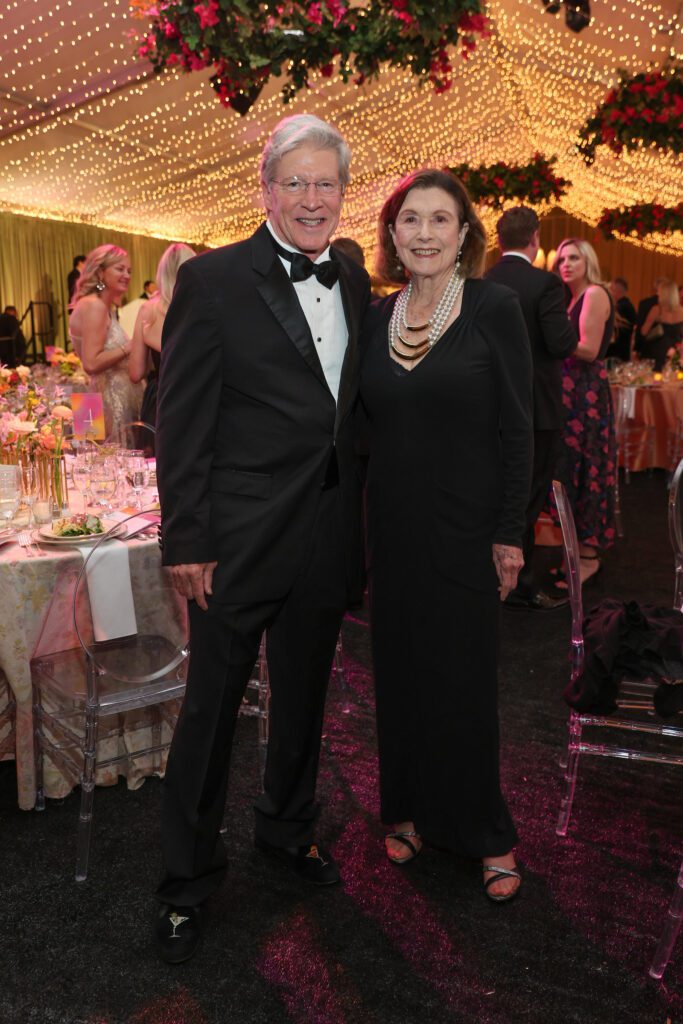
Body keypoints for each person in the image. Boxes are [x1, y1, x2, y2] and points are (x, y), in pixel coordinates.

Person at [154, 114, 371, 963]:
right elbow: (181, 423)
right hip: (234, 539)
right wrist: (185, 542)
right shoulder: (210, 281)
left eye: (327, 185)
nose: (312, 200)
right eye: (297, 183)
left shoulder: (352, 278)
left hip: (324, 530)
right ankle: (185, 879)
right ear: (267, 189)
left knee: (306, 697)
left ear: (342, 195)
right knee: (210, 710)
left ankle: (285, 828)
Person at [359, 169, 533, 902]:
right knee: (398, 678)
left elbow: (519, 430)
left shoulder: (492, 307)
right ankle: (406, 809)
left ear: (464, 234)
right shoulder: (377, 318)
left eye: (440, 220)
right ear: (392, 236)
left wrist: (508, 534)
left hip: (465, 531)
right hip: (390, 531)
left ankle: (485, 832)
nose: (424, 233)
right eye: (410, 220)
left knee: (462, 683)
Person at [486, 206, 577, 611]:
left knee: (493, 493)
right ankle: (519, 582)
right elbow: (561, 344)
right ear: (535, 238)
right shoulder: (545, 284)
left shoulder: (480, 280)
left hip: (488, 407)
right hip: (536, 408)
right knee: (528, 495)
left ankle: (490, 576)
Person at [552, 238, 616, 584]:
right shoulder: (574, 297)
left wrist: (549, 338)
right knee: (571, 468)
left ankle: (588, 557)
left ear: (587, 260)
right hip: (572, 394)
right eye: (562, 259)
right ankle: (575, 552)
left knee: (587, 468)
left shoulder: (594, 293)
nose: (566, 264)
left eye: (574, 258)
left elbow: (589, 350)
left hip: (586, 395)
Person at [69, 245, 143, 439]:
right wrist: (130, 346)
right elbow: (91, 363)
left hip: (102, 399)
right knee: (114, 465)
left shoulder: (96, 304)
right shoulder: (95, 306)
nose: (127, 275)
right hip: (110, 404)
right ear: (101, 272)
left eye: (129, 271)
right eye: (120, 269)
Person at [129, 243, 196, 433]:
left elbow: (135, 373)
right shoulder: (203, 307)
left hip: (161, 399)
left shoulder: (148, 310)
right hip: (198, 398)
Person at [639, 279, 683, 370]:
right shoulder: (681, 311)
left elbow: (644, 332)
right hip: (674, 353)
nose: (657, 294)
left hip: (656, 351)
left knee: (654, 379)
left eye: (659, 291)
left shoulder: (657, 310)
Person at [607, 277, 637, 363]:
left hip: (616, 353)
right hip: (623, 351)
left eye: (611, 289)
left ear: (617, 291)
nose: (609, 292)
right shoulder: (628, 305)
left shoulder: (620, 307)